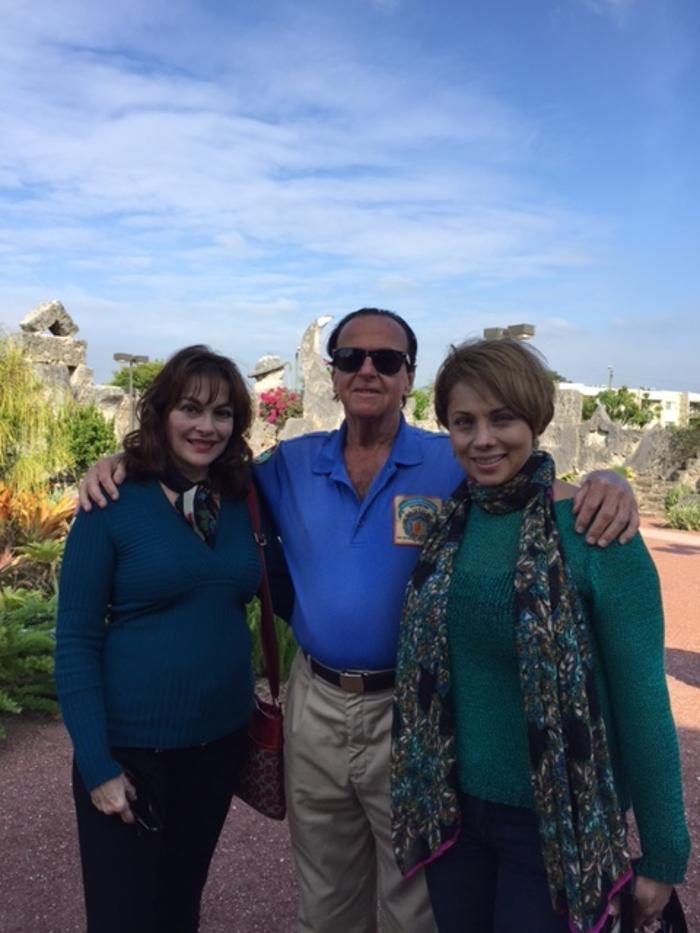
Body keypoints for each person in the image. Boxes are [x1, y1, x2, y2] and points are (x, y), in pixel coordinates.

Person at [78, 310, 640, 933]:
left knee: (414, 898)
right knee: (325, 898)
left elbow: (528, 481)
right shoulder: (288, 466)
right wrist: (120, 465)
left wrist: (607, 481)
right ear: (334, 374)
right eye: (351, 358)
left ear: (409, 377)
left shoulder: (450, 461)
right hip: (316, 702)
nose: (368, 369)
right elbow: (200, 471)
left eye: (387, 360)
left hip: (414, 706)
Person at [391, 338, 689, 933]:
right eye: (463, 422)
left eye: (502, 419)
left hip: (557, 827)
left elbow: (643, 701)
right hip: (452, 812)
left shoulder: (595, 531)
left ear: (537, 419)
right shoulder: (451, 526)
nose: (483, 439)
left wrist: (663, 854)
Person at [56, 345, 290, 933]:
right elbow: (76, 641)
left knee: (181, 902)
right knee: (123, 915)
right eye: (191, 408)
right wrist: (95, 762)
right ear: (161, 411)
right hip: (131, 751)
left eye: (223, 414)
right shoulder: (110, 502)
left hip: (218, 744)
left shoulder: (243, 499)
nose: (206, 427)